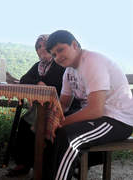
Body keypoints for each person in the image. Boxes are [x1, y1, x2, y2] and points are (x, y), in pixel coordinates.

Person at [43, 30, 133, 180]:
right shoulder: (68, 72)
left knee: (68, 137)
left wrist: (61, 122)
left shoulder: (92, 62)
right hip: (97, 118)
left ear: (74, 45)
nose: (57, 57)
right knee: (44, 128)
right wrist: (51, 119)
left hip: (117, 120)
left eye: (60, 50)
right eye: (54, 54)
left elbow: (95, 110)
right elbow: (63, 104)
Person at [6, 34, 79, 177]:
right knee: (25, 123)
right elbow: (25, 79)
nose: (42, 48)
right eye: (38, 47)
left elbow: (58, 86)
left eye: (44, 44)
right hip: (43, 107)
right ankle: (24, 163)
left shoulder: (60, 64)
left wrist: (40, 82)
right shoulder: (38, 66)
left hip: (63, 106)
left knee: (40, 123)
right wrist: (38, 82)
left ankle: (44, 166)